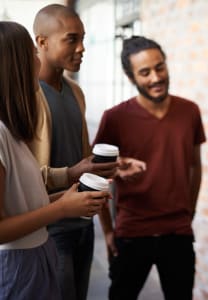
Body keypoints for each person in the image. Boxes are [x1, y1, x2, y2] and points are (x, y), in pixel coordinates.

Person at [30, 4, 145, 300]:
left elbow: (85, 165)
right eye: (72, 39)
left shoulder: (75, 92)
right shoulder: (25, 97)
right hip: (49, 227)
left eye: (83, 38)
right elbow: (23, 178)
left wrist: (114, 169)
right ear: (42, 42)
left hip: (83, 224)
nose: (82, 48)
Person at [0, 21, 109, 300]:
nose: (37, 63)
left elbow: (21, 200)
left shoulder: (12, 131)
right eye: (31, 55)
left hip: (38, 252)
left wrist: (63, 199)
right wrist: (60, 210)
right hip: (19, 265)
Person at [93, 36, 206, 300]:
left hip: (178, 233)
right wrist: (109, 230)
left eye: (160, 67)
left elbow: (195, 167)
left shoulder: (190, 111)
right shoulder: (115, 118)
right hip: (131, 232)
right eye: (145, 72)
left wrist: (189, 212)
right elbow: (96, 177)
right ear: (130, 77)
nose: (156, 77)